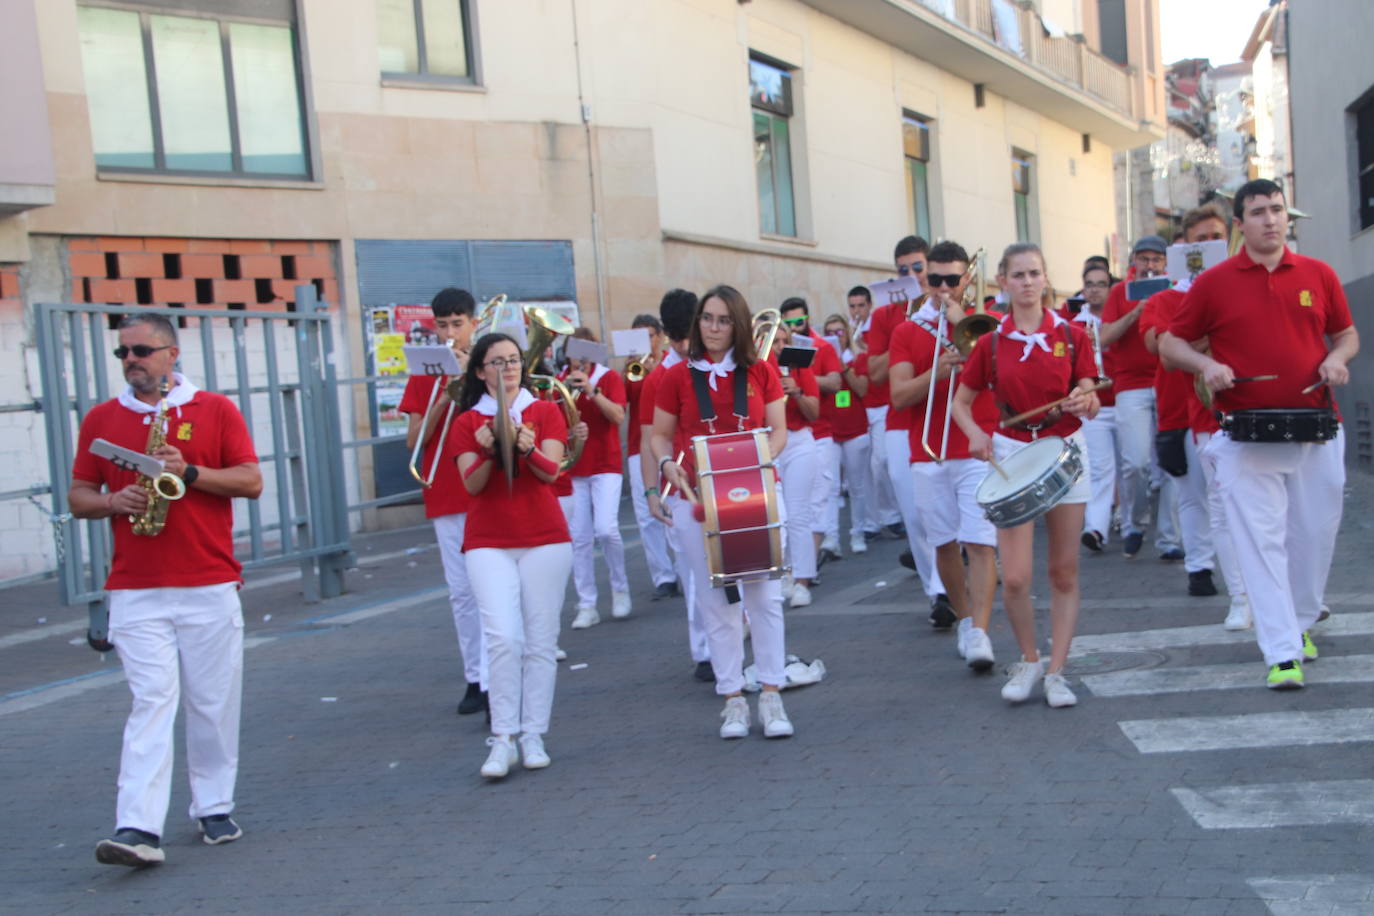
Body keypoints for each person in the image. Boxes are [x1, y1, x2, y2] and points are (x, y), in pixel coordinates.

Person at [70, 313, 263, 867]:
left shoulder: (215, 409)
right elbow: (78, 493)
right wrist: (111, 501)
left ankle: (213, 803)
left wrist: (193, 472)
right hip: (135, 585)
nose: (132, 359)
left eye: (142, 350)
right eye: (123, 352)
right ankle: (137, 827)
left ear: (171, 355)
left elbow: (250, 481)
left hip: (208, 578)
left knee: (211, 701)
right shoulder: (104, 420)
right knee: (151, 701)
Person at [1160, 178, 1358, 689]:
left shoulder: (1320, 274)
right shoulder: (1215, 282)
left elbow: (1346, 333)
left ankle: (1301, 620)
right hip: (1245, 432)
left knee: (1313, 534)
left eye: (1277, 210)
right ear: (1239, 225)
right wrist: (1206, 364)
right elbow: (1170, 344)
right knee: (1261, 540)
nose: (1270, 219)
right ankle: (1281, 652)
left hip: (1316, 424)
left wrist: (1337, 359)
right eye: (1259, 212)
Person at [952, 243, 1101, 707]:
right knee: (1014, 576)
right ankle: (1029, 658)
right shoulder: (992, 342)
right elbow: (961, 404)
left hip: (1066, 449)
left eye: (1035, 273)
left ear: (1045, 278)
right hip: (1014, 451)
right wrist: (976, 433)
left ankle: (1057, 671)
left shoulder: (1073, 335)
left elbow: (1091, 394)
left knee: (1062, 570)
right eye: (1018, 275)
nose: (1028, 282)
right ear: (1003, 281)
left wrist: (1084, 399)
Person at [650, 285, 795, 739]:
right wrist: (666, 464)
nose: (713, 328)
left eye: (723, 320)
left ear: (738, 324)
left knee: (765, 598)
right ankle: (732, 697)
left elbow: (779, 431)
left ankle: (770, 693)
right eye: (707, 319)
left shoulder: (761, 371)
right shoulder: (674, 376)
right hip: (696, 496)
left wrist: (760, 461)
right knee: (715, 601)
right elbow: (658, 435)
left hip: (756, 492)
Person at [453, 333, 573, 777]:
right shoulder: (467, 422)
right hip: (488, 539)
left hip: (545, 536)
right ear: (480, 371)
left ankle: (533, 734)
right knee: (503, 637)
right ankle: (502, 737)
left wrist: (526, 445)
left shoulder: (544, 411)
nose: (507, 369)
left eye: (514, 361)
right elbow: (472, 484)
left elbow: (550, 472)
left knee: (541, 641)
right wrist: (488, 447)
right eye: (497, 362)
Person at [888, 241, 1000, 672]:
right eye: (935, 280)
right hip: (928, 451)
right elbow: (898, 396)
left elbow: (1001, 377)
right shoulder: (907, 330)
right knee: (944, 544)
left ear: (967, 280)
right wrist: (936, 371)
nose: (944, 288)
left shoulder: (987, 325)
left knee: (980, 540)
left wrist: (962, 326)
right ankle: (965, 619)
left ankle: (981, 632)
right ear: (925, 280)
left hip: (976, 446)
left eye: (953, 279)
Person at [400, 287, 488, 716]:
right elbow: (414, 441)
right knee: (461, 592)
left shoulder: (490, 364)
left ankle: (499, 671)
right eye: (444, 325)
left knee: (492, 586)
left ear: (474, 323)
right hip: (444, 491)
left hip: (486, 486)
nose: (451, 332)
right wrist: (444, 396)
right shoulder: (425, 374)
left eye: (459, 323)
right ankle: (476, 678)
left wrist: (472, 378)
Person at [1139, 207, 1231, 599]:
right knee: (1192, 496)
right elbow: (1160, 348)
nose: (1208, 245)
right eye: (1199, 240)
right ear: (1185, 247)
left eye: (1216, 237)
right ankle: (1199, 568)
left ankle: (1242, 581)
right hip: (1179, 410)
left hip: (1228, 408)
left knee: (1229, 499)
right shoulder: (1162, 299)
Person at [865, 235, 952, 626]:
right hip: (902, 421)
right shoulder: (886, 317)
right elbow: (875, 373)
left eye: (918, 268)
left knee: (946, 507)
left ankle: (956, 577)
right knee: (915, 513)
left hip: (948, 418)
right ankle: (938, 591)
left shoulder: (951, 307)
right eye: (904, 270)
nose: (912, 276)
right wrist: (906, 325)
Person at [642, 290, 713, 681]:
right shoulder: (658, 378)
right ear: (669, 336)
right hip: (680, 485)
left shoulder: (712, 365)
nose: (689, 346)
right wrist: (652, 492)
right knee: (692, 571)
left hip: (716, 478)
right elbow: (647, 439)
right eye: (681, 338)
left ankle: (727, 636)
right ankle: (703, 651)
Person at [1099, 234, 1182, 560]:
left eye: (1156, 260)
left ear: (1165, 263)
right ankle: (1135, 522)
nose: (1149, 265)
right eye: (1143, 259)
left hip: (1168, 381)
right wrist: (1136, 313)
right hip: (1131, 385)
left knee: (1175, 463)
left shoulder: (1176, 288)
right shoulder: (1121, 292)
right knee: (1135, 462)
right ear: (1134, 262)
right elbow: (1103, 337)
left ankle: (1169, 539)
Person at [560, 328, 632, 628]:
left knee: (606, 529)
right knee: (579, 539)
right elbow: (553, 426)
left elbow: (618, 416)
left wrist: (591, 390)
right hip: (575, 467)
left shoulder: (608, 378)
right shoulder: (560, 381)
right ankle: (587, 603)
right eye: (573, 352)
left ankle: (619, 587)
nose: (578, 359)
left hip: (605, 464)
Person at [778, 297, 845, 564]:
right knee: (790, 509)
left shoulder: (822, 346)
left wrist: (803, 381)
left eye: (798, 321)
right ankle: (798, 564)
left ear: (807, 318)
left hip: (819, 432)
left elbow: (835, 382)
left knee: (817, 500)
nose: (794, 328)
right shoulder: (775, 351)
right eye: (788, 322)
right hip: (786, 435)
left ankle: (810, 563)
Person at [768, 307, 822, 608]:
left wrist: (798, 391)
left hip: (799, 441)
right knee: (778, 517)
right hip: (770, 443)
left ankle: (802, 580)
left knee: (799, 514)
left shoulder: (800, 366)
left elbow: (815, 411)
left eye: (781, 341)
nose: (777, 348)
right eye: (772, 342)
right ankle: (783, 575)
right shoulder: (756, 369)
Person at [623, 313, 679, 600]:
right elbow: (621, 407)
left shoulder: (672, 363)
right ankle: (663, 576)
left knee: (675, 506)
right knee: (647, 515)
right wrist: (631, 369)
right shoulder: (633, 369)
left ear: (660, 337)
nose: (644, 343)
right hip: (639, 445)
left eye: (648, 336)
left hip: (671, 445)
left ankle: (682, 565)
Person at [1073, 264, 1119, 553]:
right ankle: (1096, 528)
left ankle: (1132, 521)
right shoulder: (1075, 324)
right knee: (1101, 469)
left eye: (1101, 284)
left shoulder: (1120, 318)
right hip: (1096, 406)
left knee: (1134, 467)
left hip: (1124, 399)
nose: (1094, 289)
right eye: (1089, 284)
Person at [819, 313, 872, 556]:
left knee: (858, 487)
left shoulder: (858, 358)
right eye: (829, 332)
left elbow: (862, 389)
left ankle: (858, 533)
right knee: (830, 486)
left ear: (846, 334)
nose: (834, 337)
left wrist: (844, 366)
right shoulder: (820, 358)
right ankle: (831, 537)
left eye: (839, 332)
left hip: (856, 429)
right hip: (830, 429)